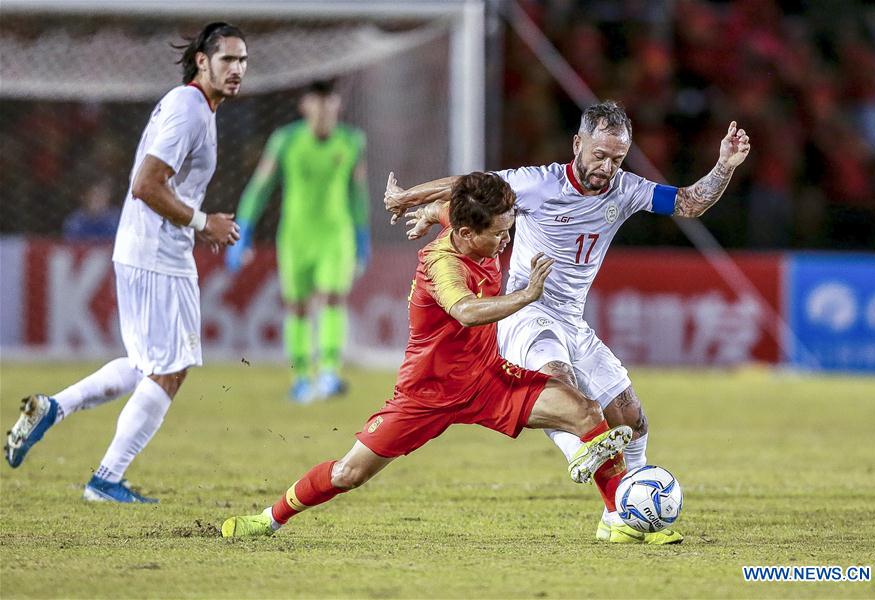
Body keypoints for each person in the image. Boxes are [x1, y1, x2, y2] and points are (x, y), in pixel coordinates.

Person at [385, 101, 751, 544]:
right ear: (578, 143)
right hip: (525, 313)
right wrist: (412, 198)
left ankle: (624, 516)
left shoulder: (626, 189)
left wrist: (724, 166)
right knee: (562, 385)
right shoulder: (538, 183)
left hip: (572, 320)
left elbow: (688, 203)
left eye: (617, 157)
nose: (607, 166)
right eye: (599, 154)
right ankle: (579, 451)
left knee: (632, 421)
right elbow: (470, 187)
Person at [220, 172, 633, 538]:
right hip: (426, 394)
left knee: (585, 410)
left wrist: (421, 208)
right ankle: (269, 519)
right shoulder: (443, 265)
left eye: (510, 229)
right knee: (349, 473)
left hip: (487, 379)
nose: (507, 241)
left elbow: (444, 207)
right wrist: (526, 295)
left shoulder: (468, 225)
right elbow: (467, 312)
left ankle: (619, 521)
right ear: (469, 233)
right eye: (500, 233)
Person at [4, 23, 248, 503]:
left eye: (242, 61)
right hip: (157, 253)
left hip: (146, 249)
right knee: (170, 368)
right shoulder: (189, 110)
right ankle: (105, 479)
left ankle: (52, 408)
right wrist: (204, 223)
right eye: (227, 60)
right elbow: (146, 184)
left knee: (146, 365)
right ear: (202, 61)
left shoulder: (193, 106)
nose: (237, 70)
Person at [225, 79, 370, 403]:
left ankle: (330, 372)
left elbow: (358, 192)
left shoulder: (352, 141)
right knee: (298, 307)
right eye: (317, 103)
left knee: (334, 297)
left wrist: (362, 235)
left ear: (337, 106)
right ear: (305, 106)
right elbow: (260, 186)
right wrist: (243, 228)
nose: (322, 110)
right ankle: (302, 378)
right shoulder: (286, 140)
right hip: (295, 236)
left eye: (328, 102)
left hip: (336, 234)